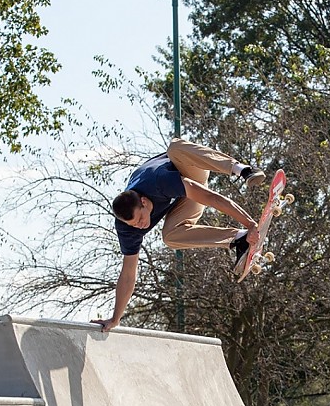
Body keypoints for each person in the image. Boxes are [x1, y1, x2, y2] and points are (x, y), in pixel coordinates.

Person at [92, 138, 267, 332]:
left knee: (175, 148)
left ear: (144, 201)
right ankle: (238, 238)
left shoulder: (158, 182)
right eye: (135, 224)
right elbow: (127, 274)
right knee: (170, 238)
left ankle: (242, 169)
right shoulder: (127, 228)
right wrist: (116, 319)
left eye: (140, 219)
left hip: (189, 166)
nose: (141, 226)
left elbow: (211, 198)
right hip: (184, 195)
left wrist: (251, 223)